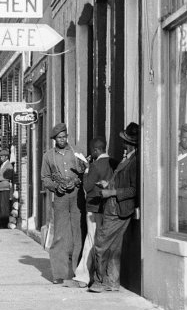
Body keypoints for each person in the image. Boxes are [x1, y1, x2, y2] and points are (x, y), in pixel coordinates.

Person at [88, 122, 139, 293]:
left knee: (101, 243)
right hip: (115, 208)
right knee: (115, 247)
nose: (123, 144)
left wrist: (111, 193)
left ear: (131, 143)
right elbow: (121, 182)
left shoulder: (134, 162)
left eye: (125, 141)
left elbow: (133, 189)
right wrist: (107, 184)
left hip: (118, 209)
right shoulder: (128, 159)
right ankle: (113, 281)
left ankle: (99, 281)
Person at [40, 122, 87, 284]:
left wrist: (77, 181)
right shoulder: (48, 156)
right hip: (60, 197)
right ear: (54, 139)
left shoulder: (77, 152)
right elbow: (45, 178)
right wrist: (55, 187)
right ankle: (59, 274)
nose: (62, 140)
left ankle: (78, 272)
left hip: (77, 196)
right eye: (59, 137)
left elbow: (86, 171)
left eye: (64, 136)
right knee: (60, 234)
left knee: (78, 232)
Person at [69, 137, 111, 288]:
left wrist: (86, 169)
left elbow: (87, 186)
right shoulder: (113, 163)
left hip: (93, 208)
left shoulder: (95, 166)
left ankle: (83, 276)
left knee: (91, 241)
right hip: (107, 208)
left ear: (95, 150)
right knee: (99, 241)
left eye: (92, 151)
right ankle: (97, 275)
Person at [0, 149, 13, 228]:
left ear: (6, 157)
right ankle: (1, 223)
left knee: (4, 206)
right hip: (1, 188)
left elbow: (8, 176)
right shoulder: (3, 164)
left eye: (2, 156)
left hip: (5, 188)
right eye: (0, 156)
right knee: (1, 206)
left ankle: (4, 223)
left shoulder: (8, 165)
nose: (1, 158)